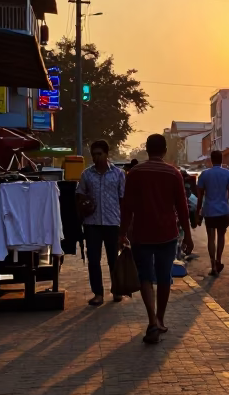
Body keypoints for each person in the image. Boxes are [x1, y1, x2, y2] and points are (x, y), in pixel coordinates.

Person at [119, 133, 192, 344]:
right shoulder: (173, 173)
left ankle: (151, 320)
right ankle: (160, 319)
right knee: (163, 277)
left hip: (141, 233)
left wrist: (122, 232)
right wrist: (187, 234)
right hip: (167, 233)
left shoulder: (135, 173)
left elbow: (127, 207)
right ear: (165, 150)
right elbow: (182, 207)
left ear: (147, 149)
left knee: (145, 277)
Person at [76, 139, 126, 306]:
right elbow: (79, 194)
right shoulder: (87, 174)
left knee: (114, 259)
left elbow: (123, 199)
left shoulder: (118, 174)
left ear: (106, 154)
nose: (97, 157)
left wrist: (125, 227)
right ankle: (98, 293)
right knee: (94, 259)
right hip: (92, 223)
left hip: (112, 222)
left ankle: (117, 290)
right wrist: (84, 203)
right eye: (94, 154)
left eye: (100, 154)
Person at [196, 150, 229, 277]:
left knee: (211, 238)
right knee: (221, 237)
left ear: (210, 160)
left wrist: (198, 213)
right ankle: (219, 260)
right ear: (222, 160)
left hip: (209, 211)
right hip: (223, 211)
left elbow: (200, 196)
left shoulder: (204, 174)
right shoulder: (227, 174)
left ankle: (213, 265)